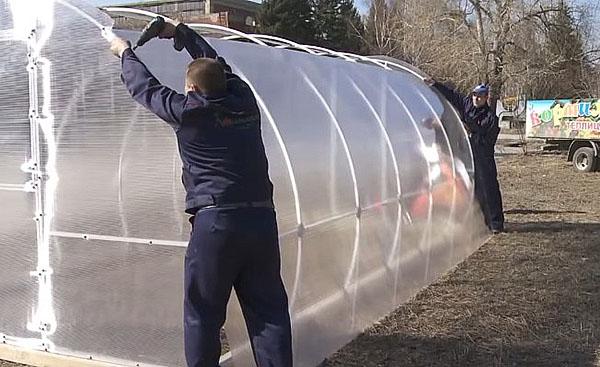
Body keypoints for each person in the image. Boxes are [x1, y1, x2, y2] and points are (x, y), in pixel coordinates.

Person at [109, 20, 293, 367]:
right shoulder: (244, 101)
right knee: (269, 313)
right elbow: (216, 64)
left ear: (191, 88)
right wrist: (179, 34)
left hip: (217, 224)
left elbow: (144, 88)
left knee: (203, 314)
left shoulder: (190, 113)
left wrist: (124, 52)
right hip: (260, 220)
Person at [426, 80, 505, 234]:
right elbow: (451, 95)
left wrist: (470, 129)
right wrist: (435, 84)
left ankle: (496, 223)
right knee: (472, 188)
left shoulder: (490, 118)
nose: (476, 98)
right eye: (475, 95)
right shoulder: (467, 104)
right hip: (468, 154)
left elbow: (485, 139)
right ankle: (479, 221)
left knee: (488, 189)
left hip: (483, 157)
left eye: (480, 96)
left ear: (486, 98)